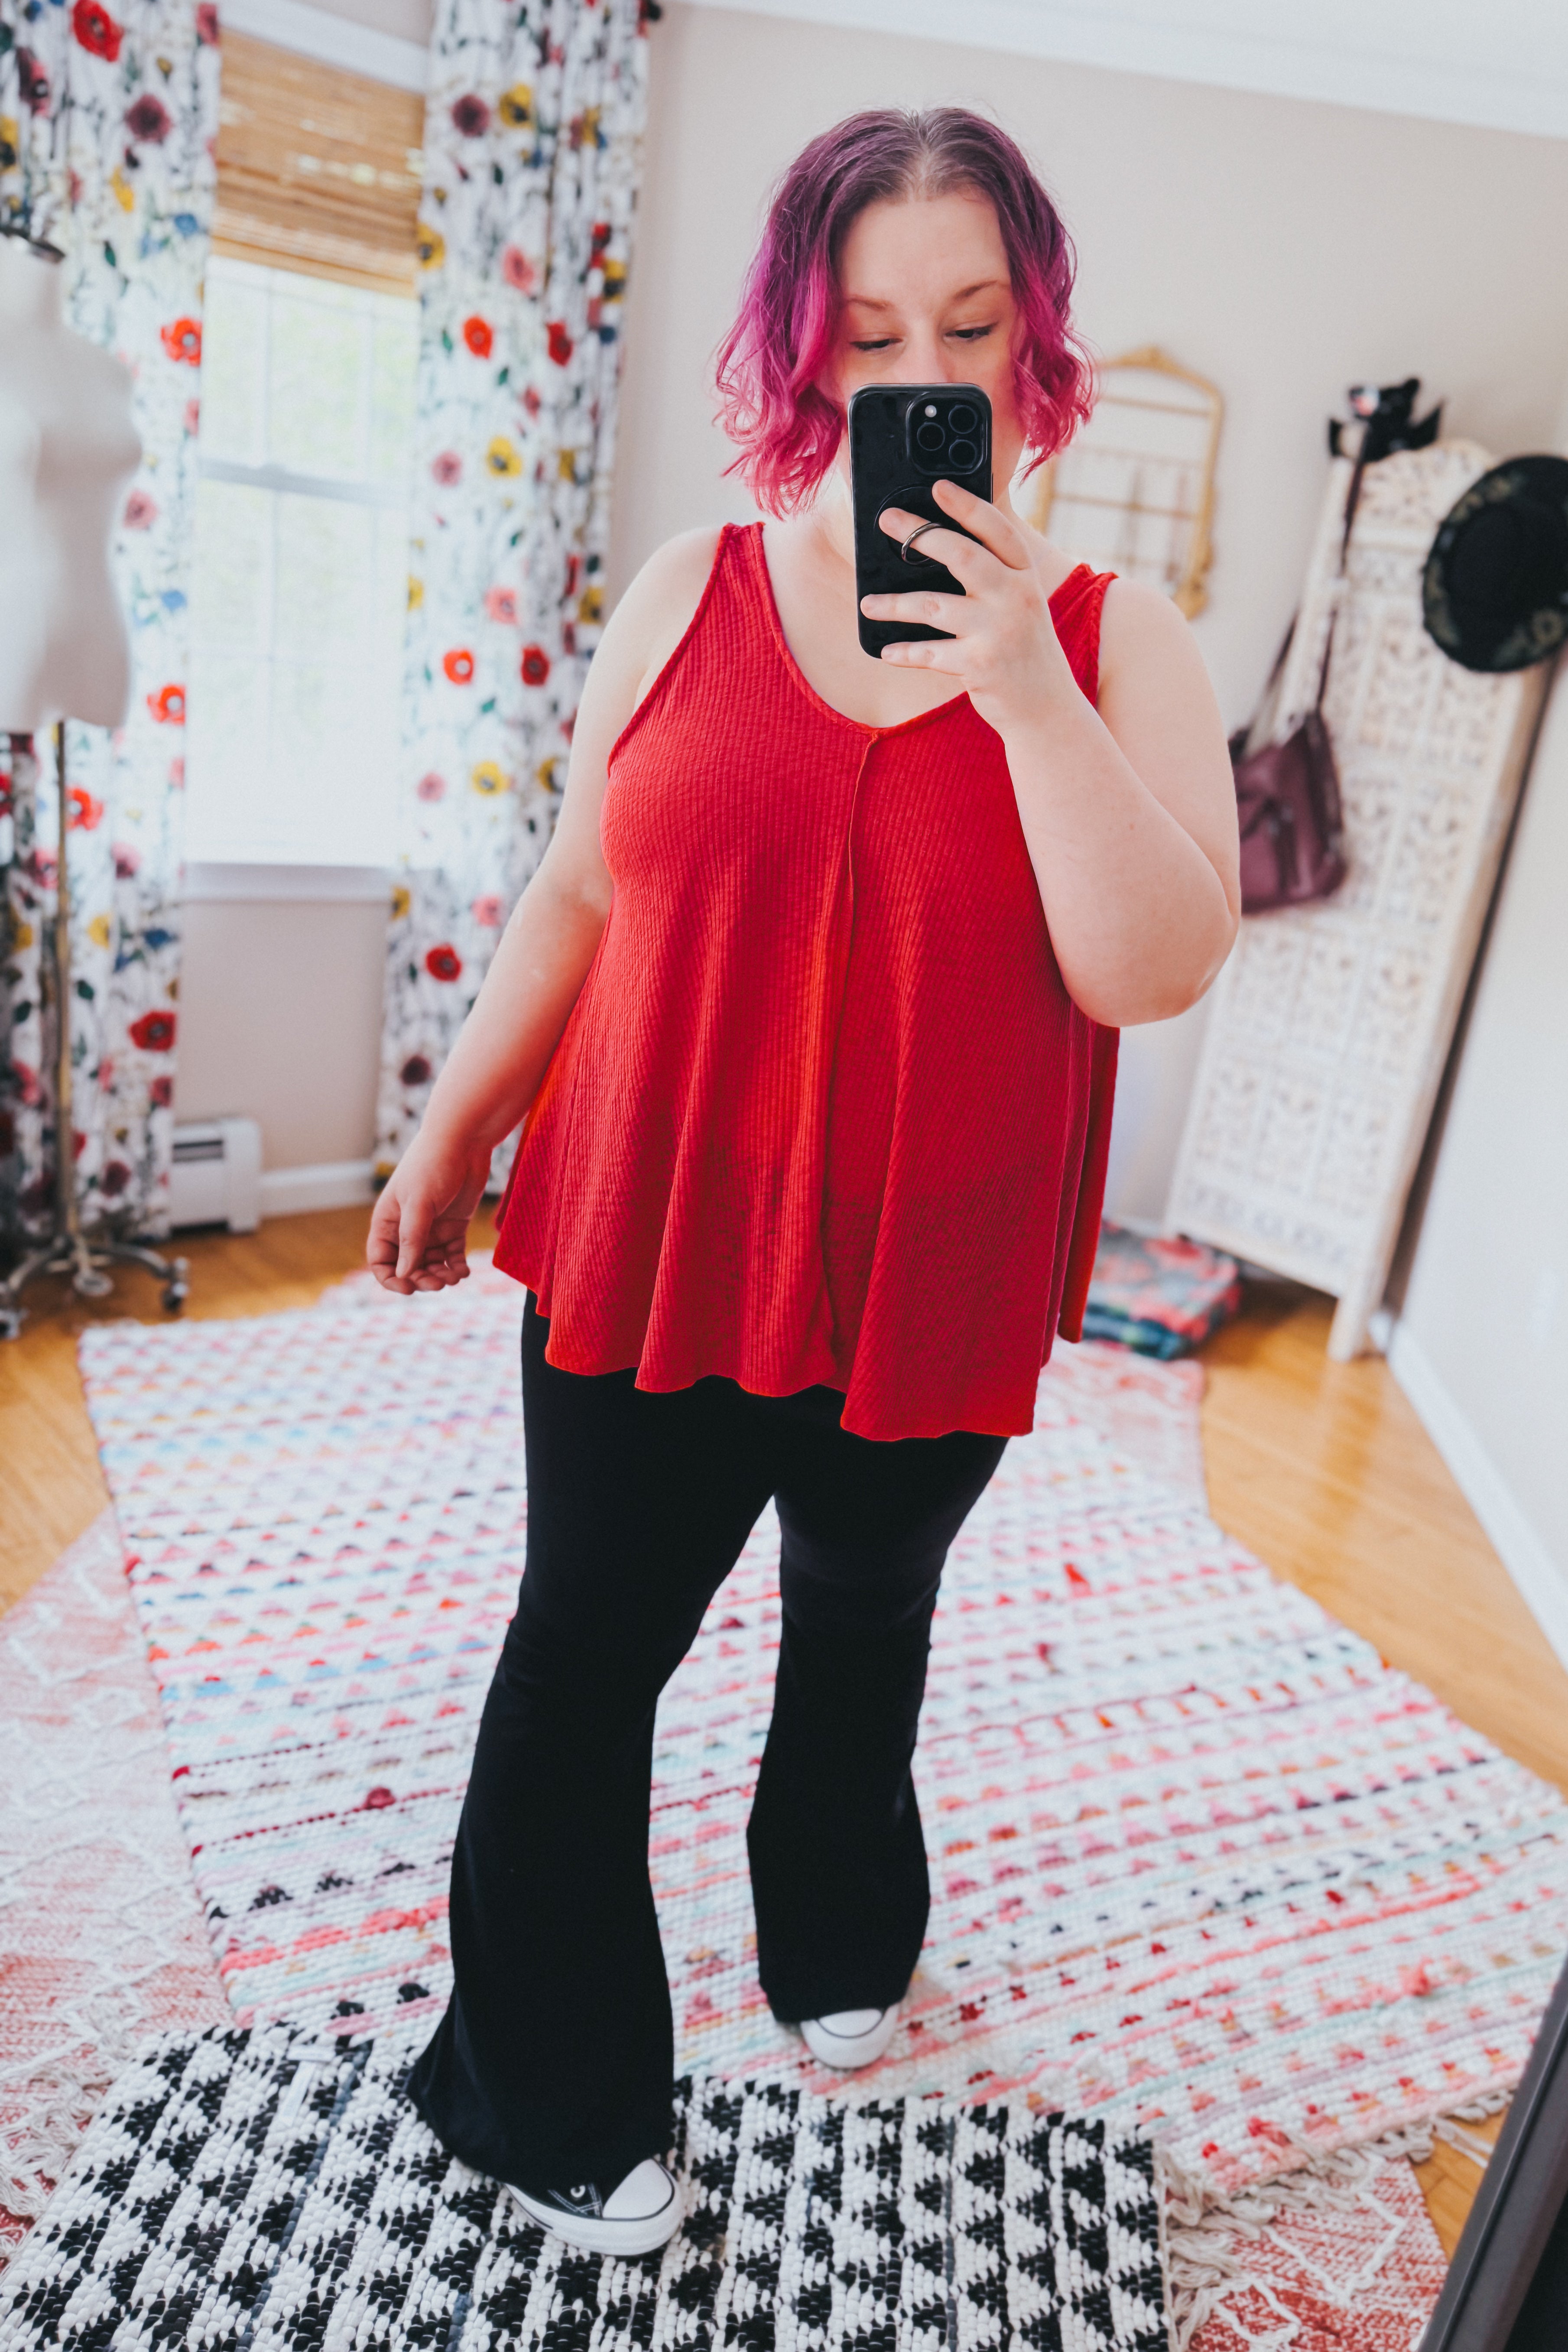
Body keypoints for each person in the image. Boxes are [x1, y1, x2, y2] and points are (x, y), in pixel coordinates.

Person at [368, 106, 1240, 2258]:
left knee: (862, 1624)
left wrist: (1023, 688)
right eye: (865, 333)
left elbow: (1154, 959)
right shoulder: (695, 585)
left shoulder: (1118, 639)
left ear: (1030, 351)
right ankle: (550, 2097)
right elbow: (580, 889)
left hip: (927, 1278)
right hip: (659, 1230)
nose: (909, 372)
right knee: (584, 1658)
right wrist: (456, 1115)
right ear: (799, 352)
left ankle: (832, 1929)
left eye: (963, 324)